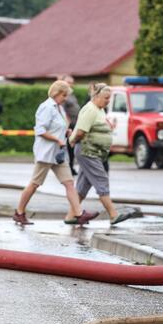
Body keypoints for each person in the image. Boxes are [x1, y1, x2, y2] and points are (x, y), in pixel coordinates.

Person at [13, 80, 98, 226]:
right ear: (56, 93)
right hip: (46, 153)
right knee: (34, 184)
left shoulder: (59, 108)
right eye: (64, 95)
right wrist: (57, 140)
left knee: (69, 183)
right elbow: (40, 130)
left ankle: (79, 214)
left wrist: (65, 132)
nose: (65, 98)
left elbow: (56, 126)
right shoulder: (46, 107)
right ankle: (19, 212)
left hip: (58, 154)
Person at [70, 83, 135, 225]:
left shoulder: (99, 109)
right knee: (101, 180)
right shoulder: (90, 110)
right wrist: (73, 140)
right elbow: (81, 131)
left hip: (93, 151)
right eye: (106, 98)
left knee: (83, 185)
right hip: (88, 151)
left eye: (109, 98)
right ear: (96, 96)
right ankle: (113, 215)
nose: (108, 101)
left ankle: (71, 216)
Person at [61, 74, 80, 176]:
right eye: (68, 82)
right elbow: (62, 111)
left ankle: (70, 166)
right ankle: (67, 167)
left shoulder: (71, 94)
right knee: (68, 147)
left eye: (72, 83)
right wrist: (66, 125)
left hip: (75, 124)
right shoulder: (63, 95)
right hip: (69, 125)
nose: (70, 85)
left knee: (72, 147)